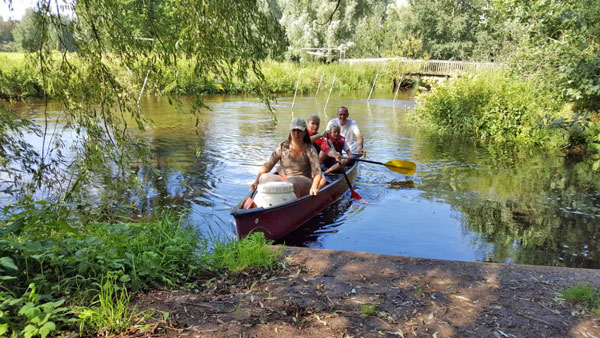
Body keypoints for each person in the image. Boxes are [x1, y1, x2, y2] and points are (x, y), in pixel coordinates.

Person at [250, 118, 322, 197]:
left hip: (303, 181)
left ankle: (292, 203)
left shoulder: (310, 149)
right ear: (290, 131)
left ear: (304, 132)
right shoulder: (282, 147)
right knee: (264, 177)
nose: (296, 134)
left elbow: (317, 172)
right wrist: (256, 181)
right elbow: (268, 165)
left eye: (299, 131)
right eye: (294, 130)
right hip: (283, 179)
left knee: (291, 182)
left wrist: (314, 187)